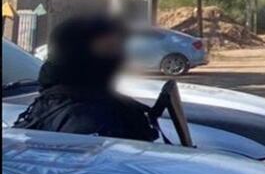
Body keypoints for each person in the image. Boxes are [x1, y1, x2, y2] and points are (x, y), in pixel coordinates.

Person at [14, 15, 158, 142]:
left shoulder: (56, 101)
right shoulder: (85, 119)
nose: (118, 58)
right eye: (109, 50)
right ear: (77, 56)